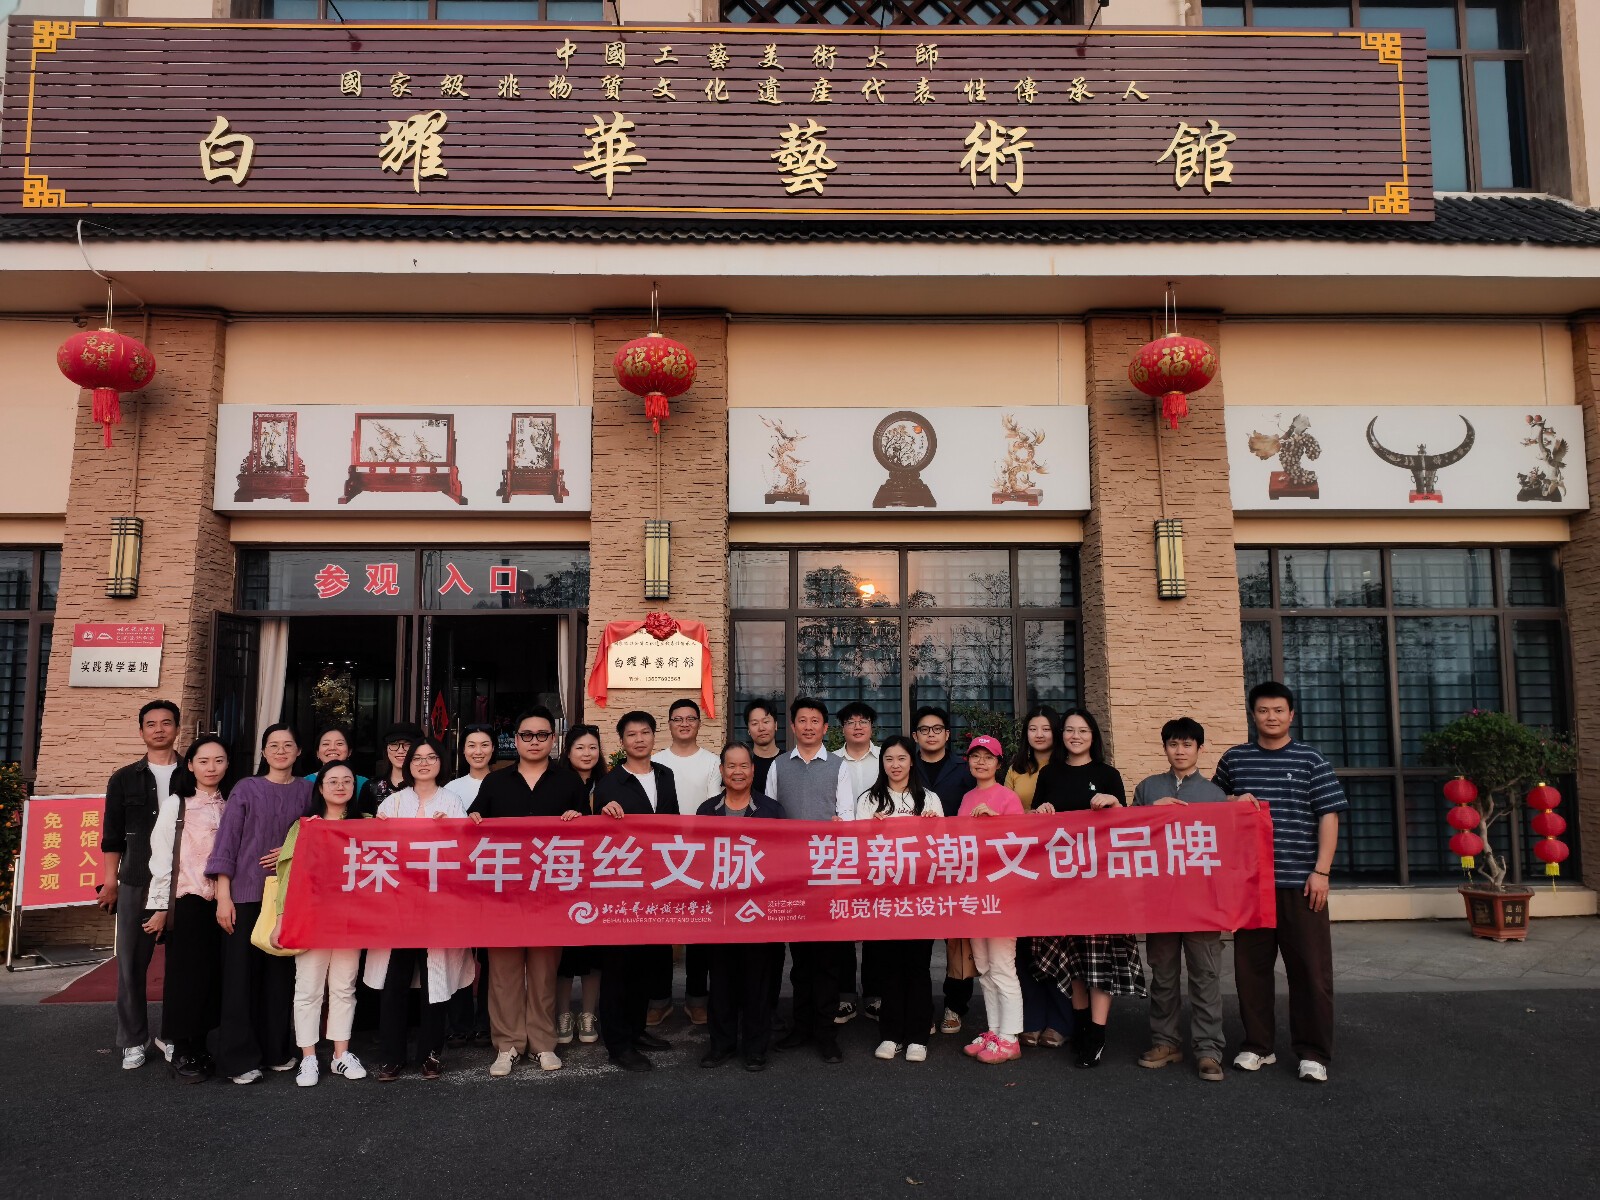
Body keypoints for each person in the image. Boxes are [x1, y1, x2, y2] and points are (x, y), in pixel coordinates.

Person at [1214, 681, 1347, 1085]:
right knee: (1250, 972)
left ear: (1291, 715)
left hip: (1301, 883)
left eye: (1278, 710)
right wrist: (1230, 801)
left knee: (1311, 972)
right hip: (1250, 886)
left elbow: (1328, 815)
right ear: (1252, 715)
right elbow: (1212, 807)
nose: (1270, 717)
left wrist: (1322, 871)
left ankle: (1313, 1053)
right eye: (1262, 710)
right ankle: (1258, 1046)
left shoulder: (1310, 759)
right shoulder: (1235, 760)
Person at [468, 707, 586, 1077]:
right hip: (503, 894)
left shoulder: (569, 782)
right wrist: (472, 821)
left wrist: (579, 821)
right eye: (527, 735)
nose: (534, 741)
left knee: (543, 973)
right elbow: (473, 826)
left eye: (542, 735)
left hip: (551, 895)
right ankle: (507, 1045)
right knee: (503, 974)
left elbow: (589, 838)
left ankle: (543, 1044)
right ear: (515, 740)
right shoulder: (495, 782)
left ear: (554, 740)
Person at [1031, 708, 1143, 1069]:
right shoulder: (1049, 774)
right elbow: (1035, 826)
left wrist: (1114, 804)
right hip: (1062, 882)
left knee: (1098, 959)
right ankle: (1079, 1025)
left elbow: (1125, 828)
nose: (1075, 736)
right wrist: (1040, 811)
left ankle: (1096, 1033)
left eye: (1082, 730)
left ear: (1093, 736)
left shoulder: (1108, 775)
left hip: (1102, 884)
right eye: (1069, 730)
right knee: (1073, 955)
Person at [205, 723, 313, 1084]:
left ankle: (275, 1050)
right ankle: (239, 1059)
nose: (281, 751)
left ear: (299, 752)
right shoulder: (246, 788)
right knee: (240, 978)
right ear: (263, 752)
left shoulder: (308, 790)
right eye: (273, 745)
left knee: (279, 976)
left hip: (287, 897)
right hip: (245, 894)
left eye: (288, 745)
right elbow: (227, 842)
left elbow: (319, 836)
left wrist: (291, 849)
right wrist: (223, 896)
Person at [367, 736, 475, 1081]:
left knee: (435, 979)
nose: (424, 763)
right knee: (395, 979)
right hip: (398, 906)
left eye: (431, 757)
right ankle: (392, 1056)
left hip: (438, 904)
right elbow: (374, 851)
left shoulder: (452, 801)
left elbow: (464, 854)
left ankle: (431, 1053)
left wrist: (453, 830)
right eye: (417, 758)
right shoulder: (392, 803)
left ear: (441, 763)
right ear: (407, 764)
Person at [1132, 717, 1230, 1083]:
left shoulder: (1215, 794)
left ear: (1199, 748)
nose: (1180, 750)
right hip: (1160, 899)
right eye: (1173, 744)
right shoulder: (1147, 788)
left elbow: (1227, 849)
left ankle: (1209, 1049)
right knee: (1163, 974)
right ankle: (1165, 1042)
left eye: (1187, 744)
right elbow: (1128, 835)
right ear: (1165, 748)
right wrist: (1150, 812)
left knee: (1206, 975)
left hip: (1202, 902)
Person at [844, 735, 941, 1064]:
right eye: (888, 759)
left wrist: (933, 828)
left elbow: (944, 848)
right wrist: (870, 830)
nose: (895, 765)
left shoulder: (928, 799)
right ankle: (890, 1034)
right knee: (889, 966)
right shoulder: (869, 800)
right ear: (881, 763)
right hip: (883, 898)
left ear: (912, 761)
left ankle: (917, 1036)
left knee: (918, 966)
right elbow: (857, 850)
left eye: (901, 759)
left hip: (920, 898)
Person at [592, 711, 680, 1073]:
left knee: (646, 962)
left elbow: (673, 822)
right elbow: (597, 834)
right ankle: (618, 1044)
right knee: (618, 967)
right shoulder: (609, 783)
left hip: (657, 883)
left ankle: (637, 1029)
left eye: (645, 732)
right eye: (632, 734)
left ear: (654, 736)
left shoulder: (665, 775)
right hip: (622, 886)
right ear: (622, 742)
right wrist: (601, 813)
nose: (639, 739)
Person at [271, 760, 368, 1087]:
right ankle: (309, 1058)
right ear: (321, 788)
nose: (340, 786)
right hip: (311, 918)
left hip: (350, 920)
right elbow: (286, 875)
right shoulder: (304, 826)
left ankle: (341, 1054)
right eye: (333, 781)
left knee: (344, 987)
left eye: (347, 781)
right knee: (308, 988)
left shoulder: (367, 824)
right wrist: (282, 920)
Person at [99, 699, 182, 1070]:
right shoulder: (123, 778)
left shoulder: (192, 773)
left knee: (182, 963)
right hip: (136, 878)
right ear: (141, 731)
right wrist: (110, 881)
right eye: (151, 724)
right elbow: (112, 835)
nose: (159, 729)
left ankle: (175, 1034)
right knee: (131, 963)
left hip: (184, 881)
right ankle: (133, 1040)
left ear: (177, 728)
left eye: (166, 722)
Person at [696, 743, 788, 1073]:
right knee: (721, 981)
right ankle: (721, 1045)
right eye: (731, 766)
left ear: (753, 770)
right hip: (719, 913)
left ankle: (755, 1048)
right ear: (722, 771)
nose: (738, 772)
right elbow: (698, 860)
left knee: (757, 983)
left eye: (744, 766)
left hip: (759, 912)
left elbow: (784, 859)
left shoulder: (771, 810)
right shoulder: (707, 811)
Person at [143, 734, 229, 1083]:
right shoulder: (177, 805)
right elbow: (162, 858)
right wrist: (160, 906)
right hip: (187, 900)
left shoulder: (230, 804)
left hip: (223, 902)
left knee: (212, 977)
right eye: (203, 761)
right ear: (190, 765)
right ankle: (180, 1047)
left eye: (219, 760)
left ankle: (201, 1044)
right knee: (185, 978)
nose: (211, 768)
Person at [769, 696, 846, 1063]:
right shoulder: (778, 765)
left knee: (827, 959)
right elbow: (770, 815)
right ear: (793, 726)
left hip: (828, 873)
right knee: (799, 960)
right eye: (802, 720)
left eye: (815, 720)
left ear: (825, 727)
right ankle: (801, 1027)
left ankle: (826, 1033)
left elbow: (846, 815)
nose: (809, 726)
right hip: (791, 874)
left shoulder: (839, 766)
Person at [651, 697, 722, 1026]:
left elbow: (712, 808)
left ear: (698, 724)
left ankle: (696, 998)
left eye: (690, 718)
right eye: (677, 719)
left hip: (699, 855)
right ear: (669, 724)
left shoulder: (712, 762)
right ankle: (659, 998)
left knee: (698, 931)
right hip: (661, 856)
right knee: (660, 931)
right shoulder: (655, 761)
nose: (684, 724)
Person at [958, 736, 1027, 1065]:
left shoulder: (1008, 797)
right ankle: (995, 1030)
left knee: (1002, 966)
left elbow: (1020, 846)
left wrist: (997, 821)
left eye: (988, 757)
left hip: (1002, 896)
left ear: (1000, 764)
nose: (981, 762)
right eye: (976, 756)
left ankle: (1011, 1037)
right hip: (974, 894)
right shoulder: (967, 797)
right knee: (984, 967)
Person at [1007, 706, 1072, 1049]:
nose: (1040, 734)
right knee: (1026, 944)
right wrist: (1027, 815)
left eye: (1046, 728)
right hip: (1023, 863)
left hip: (1059, 863)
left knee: (1058, 942)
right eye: (1033, 728)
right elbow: (1005, 811)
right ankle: (1031, 1019)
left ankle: (1060, 1021)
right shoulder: (1016, 769)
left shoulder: (1067, 767)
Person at [911, 704, 976, 1038]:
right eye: (924, 729)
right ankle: (920, 1007)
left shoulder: (964, 770)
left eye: (937, 729)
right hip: (916, 868)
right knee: (917, 943)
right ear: (915, 736)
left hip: (956, 865)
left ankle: (955, 1005)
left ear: (948, 734)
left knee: (958, 943)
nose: (931, 735)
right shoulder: (906, 766)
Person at [444, 724, 496, 1048]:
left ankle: (487, 1022)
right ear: (463, 751)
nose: (478, 751)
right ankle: (459, 1023)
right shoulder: (451, 789)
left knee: (491, 956)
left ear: (494, 748)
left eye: (484, 744)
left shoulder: (505, 783)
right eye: (472, 745)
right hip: (459, 881)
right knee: (459, 952)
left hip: (495, 879)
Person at [830, 700, 881, 1024]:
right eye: (851, 722)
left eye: (863, 721)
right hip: (843, 853)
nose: (858, 726)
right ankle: (845, 995)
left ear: (872, 726)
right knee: (843, 925)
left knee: (876, 923)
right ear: (842, 728)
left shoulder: (886, 758)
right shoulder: (831, 761)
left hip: (879, 853)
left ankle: (874, 993)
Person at [555, 724, 606, 1047]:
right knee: (564, 954)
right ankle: (563, 1014)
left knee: (594, 952)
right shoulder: (556, 783)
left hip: (600, 878)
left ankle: (588, 1014)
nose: (587, 754)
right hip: (564, 878)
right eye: (580, 748)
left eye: (592, 747)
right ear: (568, 752)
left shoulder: (610, 783)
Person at [358, 722, 421, 816]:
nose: (400, 750)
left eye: (407, 744)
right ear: (386, 749)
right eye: (394, 744)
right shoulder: (371, 787)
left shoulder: (427, 787)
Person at [304, 725, 369, 794]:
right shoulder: (305, 782)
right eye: (326, 744)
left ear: (349, 752)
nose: (332, 748)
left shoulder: (364, 783)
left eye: (339, 743)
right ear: (317, 753)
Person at [745, 698, 782, 796]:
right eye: (754, 723)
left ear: (776, 725)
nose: (761, 728)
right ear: (748, 730)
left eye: (766, 722)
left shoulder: (787, 762)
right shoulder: (743, 764)